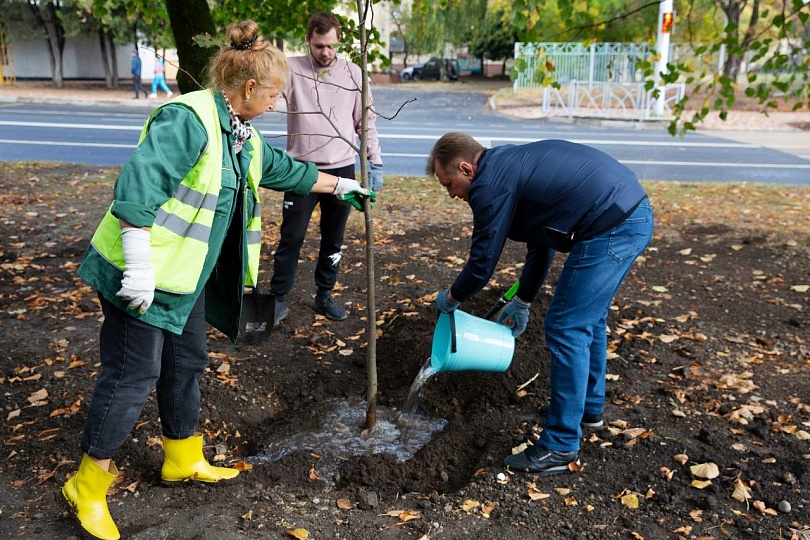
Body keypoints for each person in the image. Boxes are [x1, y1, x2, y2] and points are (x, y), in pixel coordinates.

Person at [61, 21, 373, 540]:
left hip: (183, 279)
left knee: (185, 363)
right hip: (138, 275)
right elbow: (136, 186)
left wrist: (342, 184)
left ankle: (182, 458)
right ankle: (88, 486)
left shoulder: (240, 134)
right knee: (133, 374)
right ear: (248, 88)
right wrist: (137, 266)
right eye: (274, 94)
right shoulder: (190, 120)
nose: (277, 104)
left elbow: (282, 169)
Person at [428, 132, 653, 476]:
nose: (451, 195)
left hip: (612, 222)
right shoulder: (506, 167)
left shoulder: (489, 185)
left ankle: (561, 445)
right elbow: (542, 243)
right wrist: (523, 299)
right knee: (587, 320)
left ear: (465, 168)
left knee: (566, 326)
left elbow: (482, 263)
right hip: (627, 212)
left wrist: (451, 298)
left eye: (449, 184)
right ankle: (589, 410)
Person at [269, 11, 383, 324]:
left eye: (331, 46)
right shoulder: (291, 70)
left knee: (334, 238)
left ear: (340, 42)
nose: (325, 53)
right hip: (300, 170)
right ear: (308, 40)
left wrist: (375, 162)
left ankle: (324, 295)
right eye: (319, 46)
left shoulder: (354, 74)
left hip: (342, 169)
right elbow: (266, 91)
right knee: (291, 237)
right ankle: (278, 298)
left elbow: (366, 122)